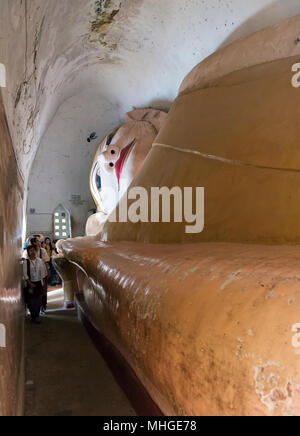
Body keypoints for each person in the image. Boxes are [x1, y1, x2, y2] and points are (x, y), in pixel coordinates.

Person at [23, 237, 50, 312]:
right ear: (34, 242)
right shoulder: (26, 252)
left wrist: (44, 275)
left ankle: (42, 306)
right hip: (31, 278)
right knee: (32, 295)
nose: (40, 242)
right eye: (38, 241)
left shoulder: (42, 251)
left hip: (41, 275)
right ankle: (33, 310)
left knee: (43, 293)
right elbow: (25, 261)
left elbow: (46, 261)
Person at [23, 245, 45, 324]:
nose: (32, 252)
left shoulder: (40, 260)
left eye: (34, 250)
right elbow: (25, 274)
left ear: (36, 251)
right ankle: (34, 316)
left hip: (39, 282)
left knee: (38, 300)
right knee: (32, 301)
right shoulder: (26, 262)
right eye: (30, 250)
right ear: (28, 252)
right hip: (30, 283)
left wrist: (43, 282)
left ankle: (37, 316)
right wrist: (30, 283)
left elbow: (43, 272)